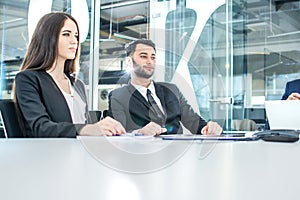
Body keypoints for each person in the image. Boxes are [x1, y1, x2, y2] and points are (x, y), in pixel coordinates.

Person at [14, 12, 125, 137]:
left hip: (81, 151)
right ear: (48, 37)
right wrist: (88, 129)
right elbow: (41, 128)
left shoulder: (78, 85)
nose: (74, 41)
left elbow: (84, 124)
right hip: (50, 153)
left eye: (76, 36)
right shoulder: (28, 79)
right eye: (66, 34)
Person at [108, 39, 223, 136]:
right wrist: (139, 133)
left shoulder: (172, 90)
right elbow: (118, 134)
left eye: (153, 57)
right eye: (143, 56)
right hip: (143, 156)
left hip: (177, 153)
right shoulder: (118, 96)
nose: (150, 61)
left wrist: (207, 128)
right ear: (129, 61)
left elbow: (193, 121)